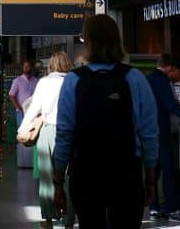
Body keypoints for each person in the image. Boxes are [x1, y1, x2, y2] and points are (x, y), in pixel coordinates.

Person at [53, 14, 158, 229]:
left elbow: (64, 133)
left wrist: (57, 183)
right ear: (116, 40)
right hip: (126, 170)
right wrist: (150, 178)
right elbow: (149, 133)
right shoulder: (135, 78)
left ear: (88, 41)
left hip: (85, 171)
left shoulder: (74, 80)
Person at [17, 50, 75, 229]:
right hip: (71, 132)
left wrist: (22, 130)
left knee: (46, 178)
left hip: (48, 132)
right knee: (69, 177)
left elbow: (35, 108)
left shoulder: (44, 82)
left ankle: (49, 219)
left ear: (51, 64)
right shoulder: (74, 81)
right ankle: (69, 221)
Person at [146, 54, 180, 221]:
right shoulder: (162, 80)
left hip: (148, 128)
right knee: (168, 167)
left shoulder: (147, 79)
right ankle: (172, 207)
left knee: (154, 169)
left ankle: (153, 205)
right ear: (170, 67)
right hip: (161, 128)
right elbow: (170, 104)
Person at [9, 59, 39, 169]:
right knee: (22, 136)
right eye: (25, 66)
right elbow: (11, 95)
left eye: (28, 66)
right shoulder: (17, 81)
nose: (27, 68)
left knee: (33, 136)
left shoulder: (36, 81)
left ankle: (31, 162)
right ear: (22, 68)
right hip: (21, 113)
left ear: (31, 67)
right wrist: (18, 107)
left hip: (34, 114)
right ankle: (22, 162)